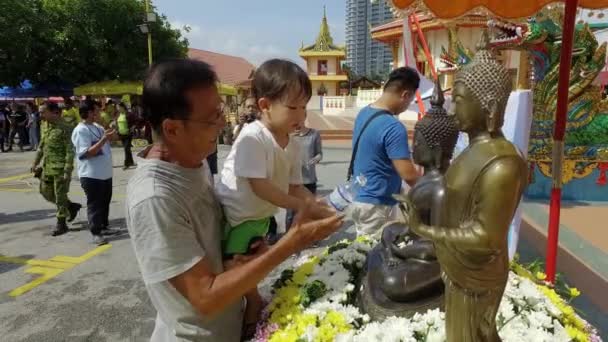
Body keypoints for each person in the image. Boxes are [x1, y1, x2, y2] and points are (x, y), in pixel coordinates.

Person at [126, 58, 343, 342]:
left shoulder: (194, 163)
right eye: (212, 118)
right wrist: (292, 242)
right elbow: (205, 298)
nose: (222, 124)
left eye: (221, 112)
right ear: (172, 129)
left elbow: (222, 241)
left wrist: (257, 253)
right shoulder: (155, 197)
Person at [350, 67, 421, 237]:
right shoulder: (393, 127)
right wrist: (431, 189)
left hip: (360, 197)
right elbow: (408, 175)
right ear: (405, 95)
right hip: (377, 205)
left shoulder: (364, 113)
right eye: (410, 100)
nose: (407, 106)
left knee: (362, 251)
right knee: (375, 256)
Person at [31, 102, 82, 236]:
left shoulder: (66, 128)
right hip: (47, 167)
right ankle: (71, 206)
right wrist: (35, 163)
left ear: (54, 112)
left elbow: (70, 151)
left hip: (60, 169)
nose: (40, 115)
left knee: (60, 197)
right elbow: (41, 147)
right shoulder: (46, 127)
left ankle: (61, 224)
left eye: (43, 112)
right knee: (45, 192)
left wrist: (67, 169)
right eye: (40, 112)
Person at [72, 100, 116, 245]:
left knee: (105, 202)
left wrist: (111, 133)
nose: (99, 113)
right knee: (95, 204)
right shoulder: (81, 130)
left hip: (104, 173)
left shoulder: (97, 126)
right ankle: (95, 233)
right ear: (89, 112)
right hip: (91, 174)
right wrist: (104, 140)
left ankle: (104, 226)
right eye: (97, 110)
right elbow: (85, 154)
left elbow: (110, 141)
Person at [285, 116, 323, 229]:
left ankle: (312, 235)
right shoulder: (287, 136)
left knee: (310, 208)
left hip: (309, 178)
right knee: (291, 212)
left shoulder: (314, 134)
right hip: (292, 180)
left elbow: (319, 153)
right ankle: (289, 236)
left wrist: (316, 159)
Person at [117, 102, 135, 169]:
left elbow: (136, 121)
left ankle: (126, 164)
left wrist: (133, 127)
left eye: (118, 107)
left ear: (122, 107)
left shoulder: (129, 114)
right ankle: (131, 161)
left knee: (126, 148)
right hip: (121, 134)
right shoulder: (119, 114)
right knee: (127, 148)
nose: (117, 108)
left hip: (128, 134)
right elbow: (117, 122)